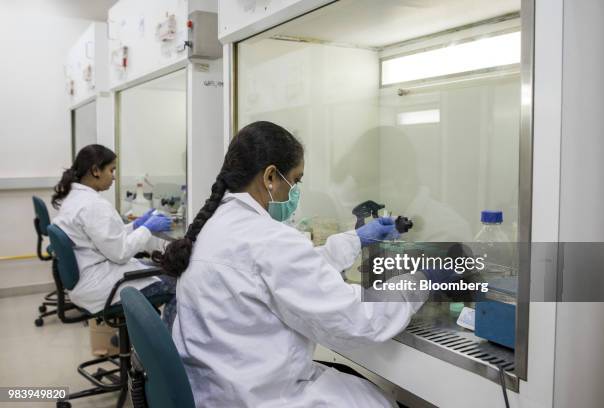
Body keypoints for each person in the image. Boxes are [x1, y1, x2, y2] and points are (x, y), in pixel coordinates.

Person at [160, 122, 452, 407]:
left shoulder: (217, 225)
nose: (295, 191)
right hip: (258, 394)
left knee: (358, 388)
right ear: (271, 177)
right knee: (379, 399)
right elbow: (356, 319)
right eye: (296, 180)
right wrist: (419, 281)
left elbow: (288, 271)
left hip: (218, 387)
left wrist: (356, 239)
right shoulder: (268, 239)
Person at [52, 144, 177, 329]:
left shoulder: (74, 199)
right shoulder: (93, 205)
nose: (114, 176)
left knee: (160, 268)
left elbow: (104, 238)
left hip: (89, 280)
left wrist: (135, 225)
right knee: (178, 284)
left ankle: (141, 343)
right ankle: (164, 352)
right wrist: (147, 229)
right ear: (95, 170)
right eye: (111, 170)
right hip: (103, 286)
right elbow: (120, 253)